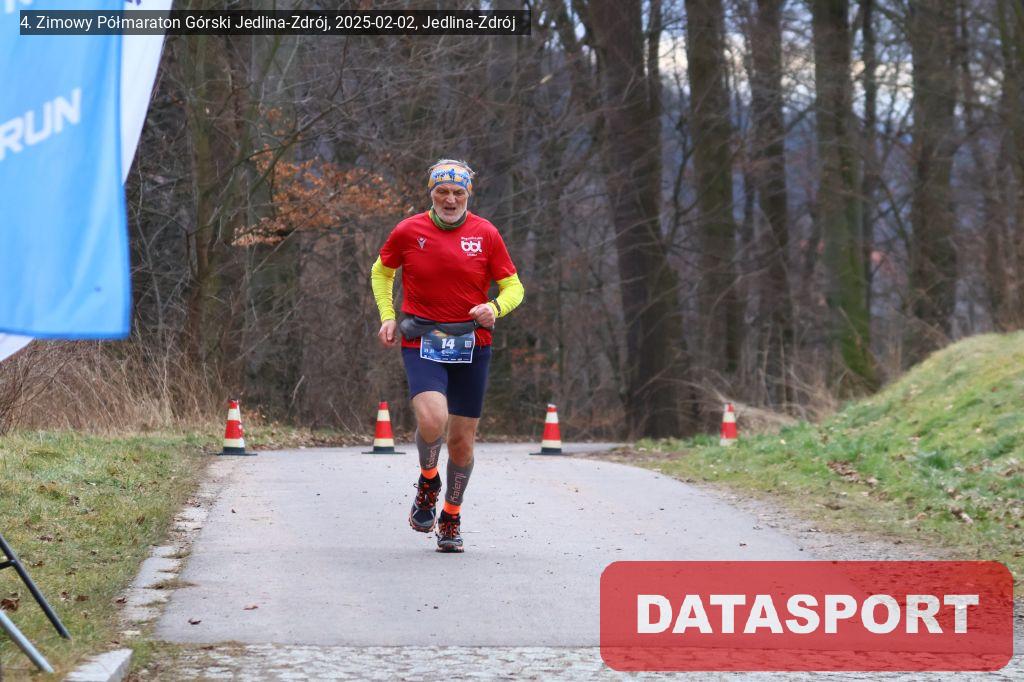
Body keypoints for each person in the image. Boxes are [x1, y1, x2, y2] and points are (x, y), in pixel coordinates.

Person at [370, 159, 525, 553]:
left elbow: (514, 287)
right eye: (443, 192)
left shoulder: (486, 233)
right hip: (422, 337)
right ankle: (428, 481)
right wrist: (387, 315)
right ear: (432, 193)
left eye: (458, 192)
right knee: (432, 419)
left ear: (468, 194)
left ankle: (451, 515)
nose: (450, 199)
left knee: (461, 442)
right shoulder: (409, 230)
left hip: (473, 342)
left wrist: (495, 307)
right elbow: (381, 272)